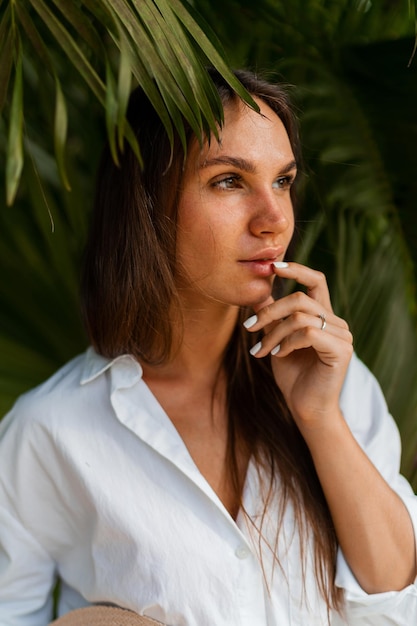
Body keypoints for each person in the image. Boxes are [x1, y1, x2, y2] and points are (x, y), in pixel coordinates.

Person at [0, 68, 416, 626]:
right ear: (147, 201)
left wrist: (320, 418)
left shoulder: (330, 378)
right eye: (229, 181)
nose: (274, 220)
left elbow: (398, 595)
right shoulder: (49, 431)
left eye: (283, 181)